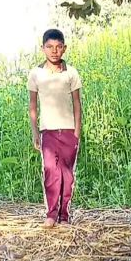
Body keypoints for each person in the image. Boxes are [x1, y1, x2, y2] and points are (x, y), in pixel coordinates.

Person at [28, 28, 82, 229]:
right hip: (48, 131)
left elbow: (77, 104)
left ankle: (64, 215)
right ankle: (51, 214)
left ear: (64, 48)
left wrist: (77, 132)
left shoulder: (71, 72)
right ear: (42, 48)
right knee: (51, 171)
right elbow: (33, 105)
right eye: (49, 47)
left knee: (67, 175)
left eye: (59, 47)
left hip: (68, 131)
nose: (54, 51)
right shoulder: (36, 74)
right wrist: (35, 132)